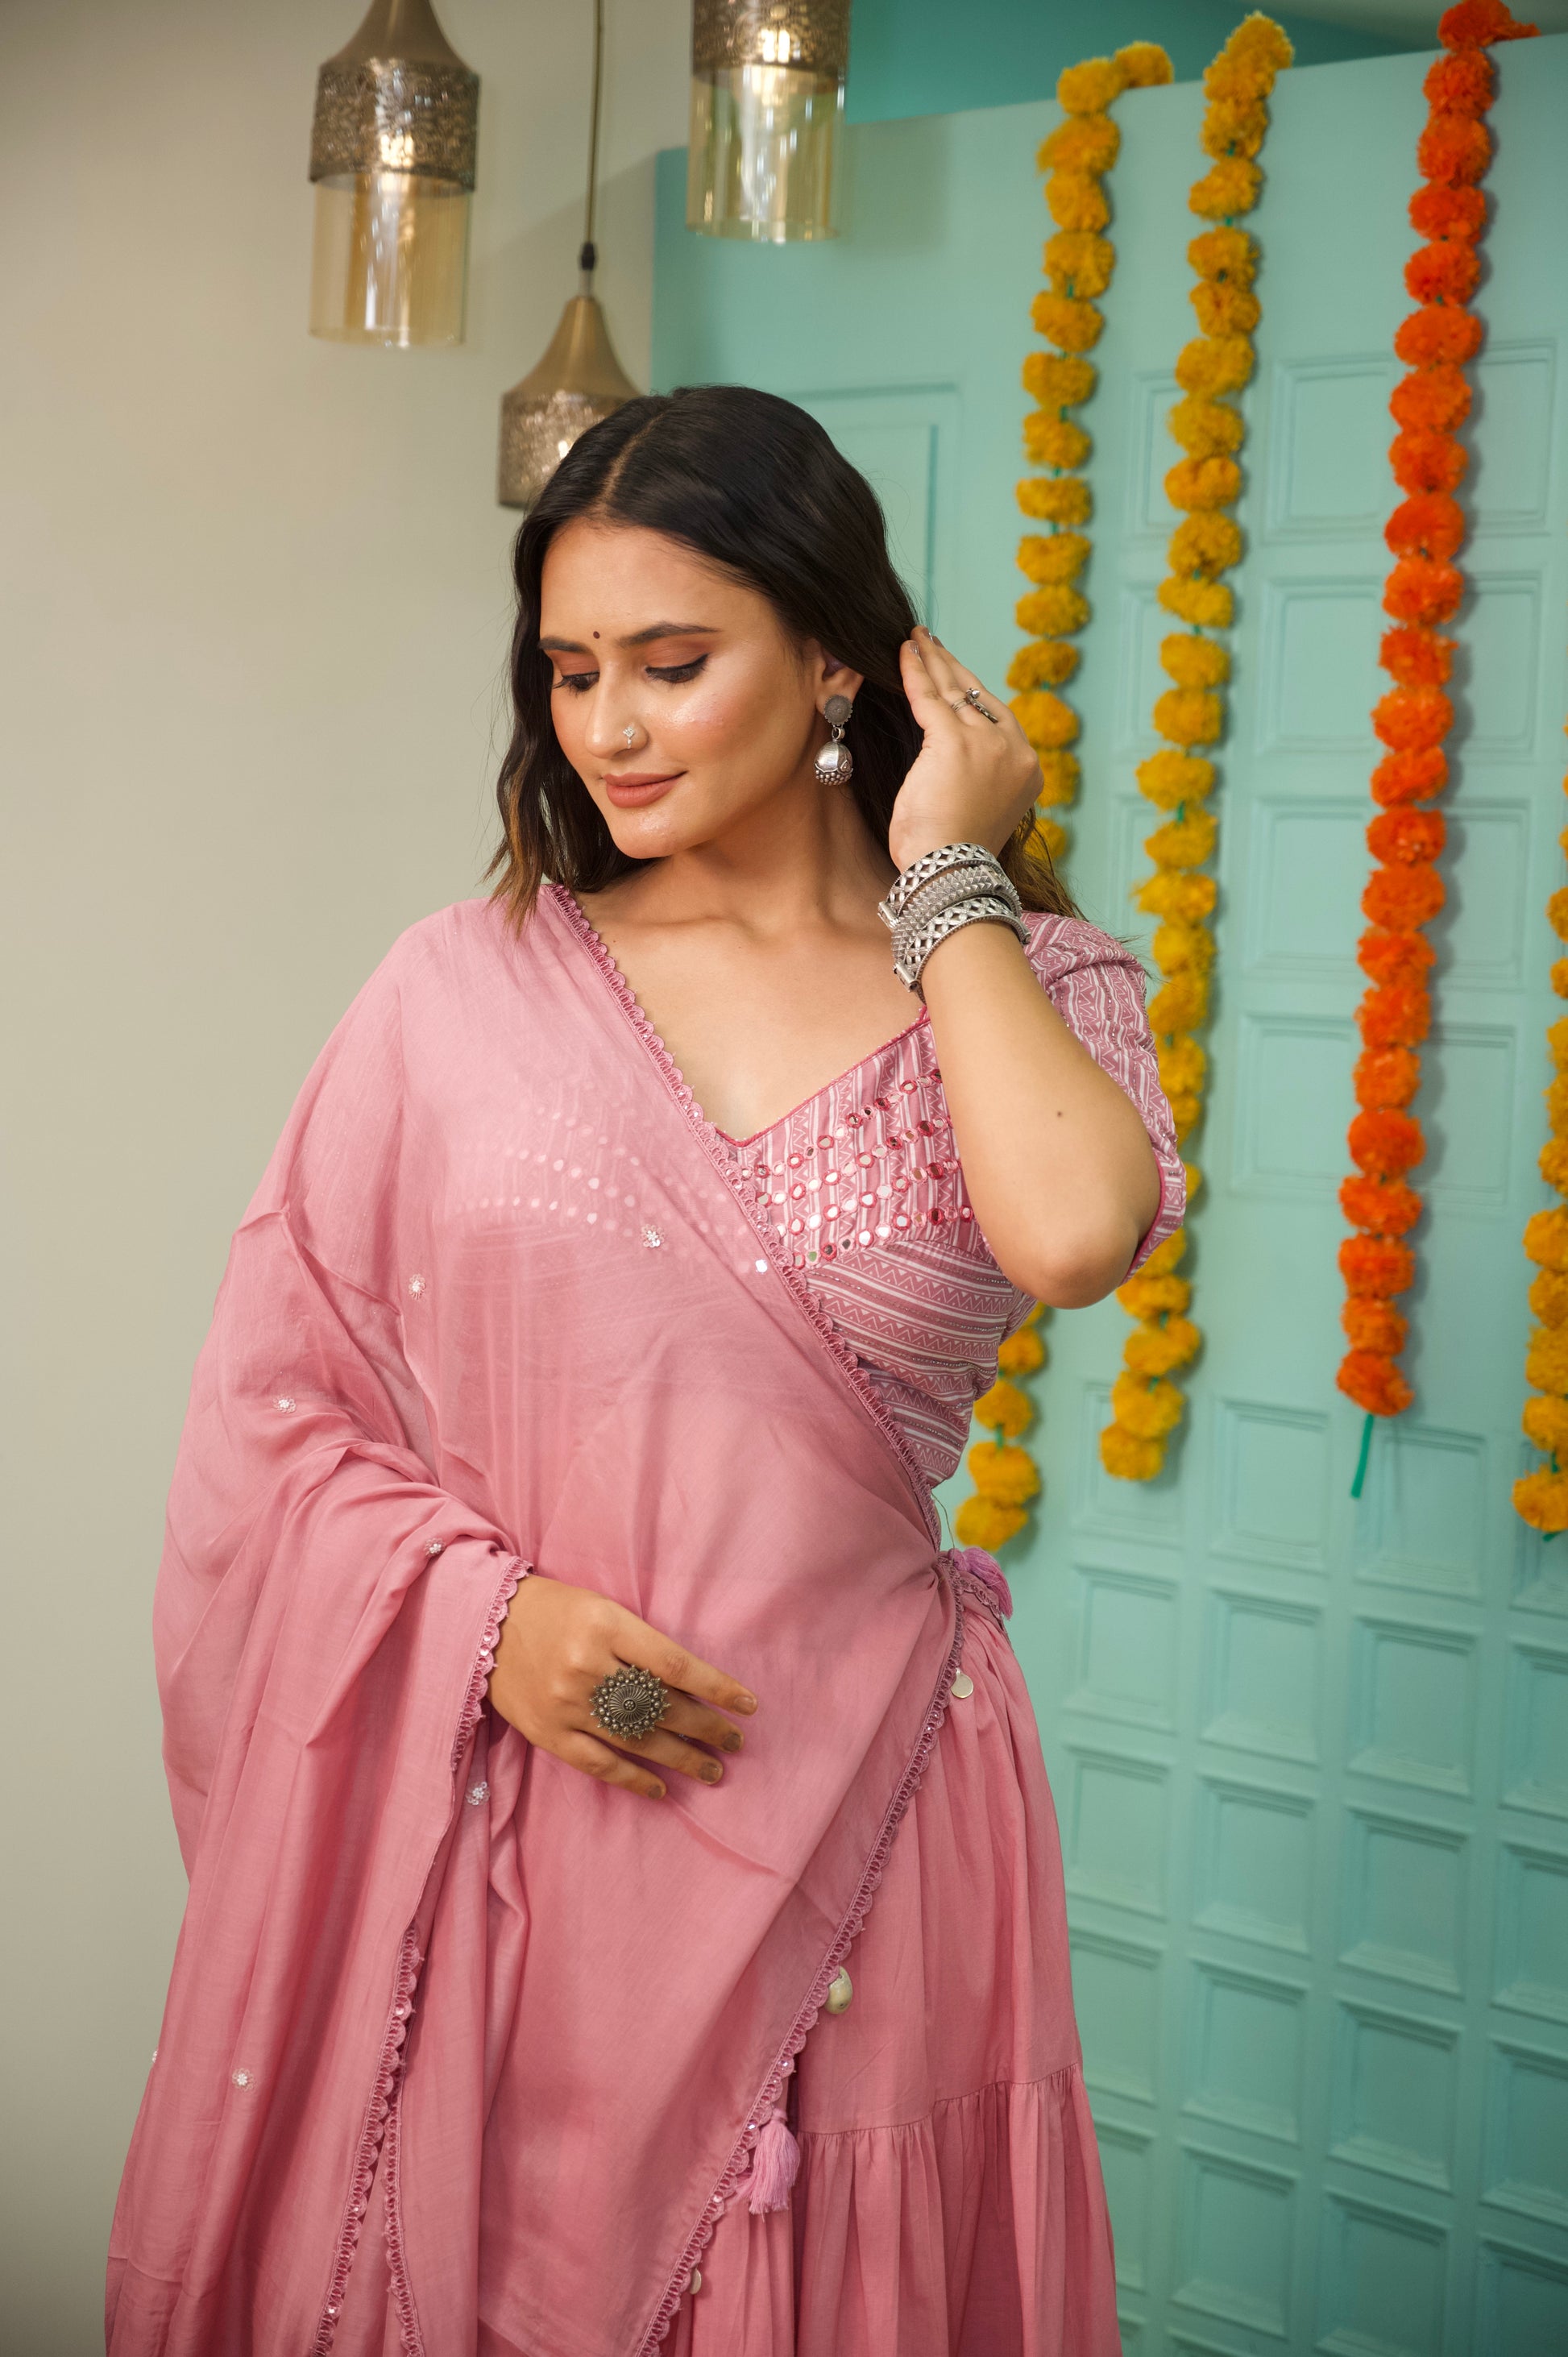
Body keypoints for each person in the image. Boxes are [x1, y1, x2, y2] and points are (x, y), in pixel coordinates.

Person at [107, 384, 1182, 2357]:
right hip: (530, 1819)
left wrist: (949, 877)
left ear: (837, 654)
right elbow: (274, 1419)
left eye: (672, 664)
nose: (607, 724)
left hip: (864, 1832)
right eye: (572, 668)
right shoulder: (460, 988)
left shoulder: (1033, 983)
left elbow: (1072, 1232)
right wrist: (488, 1625)